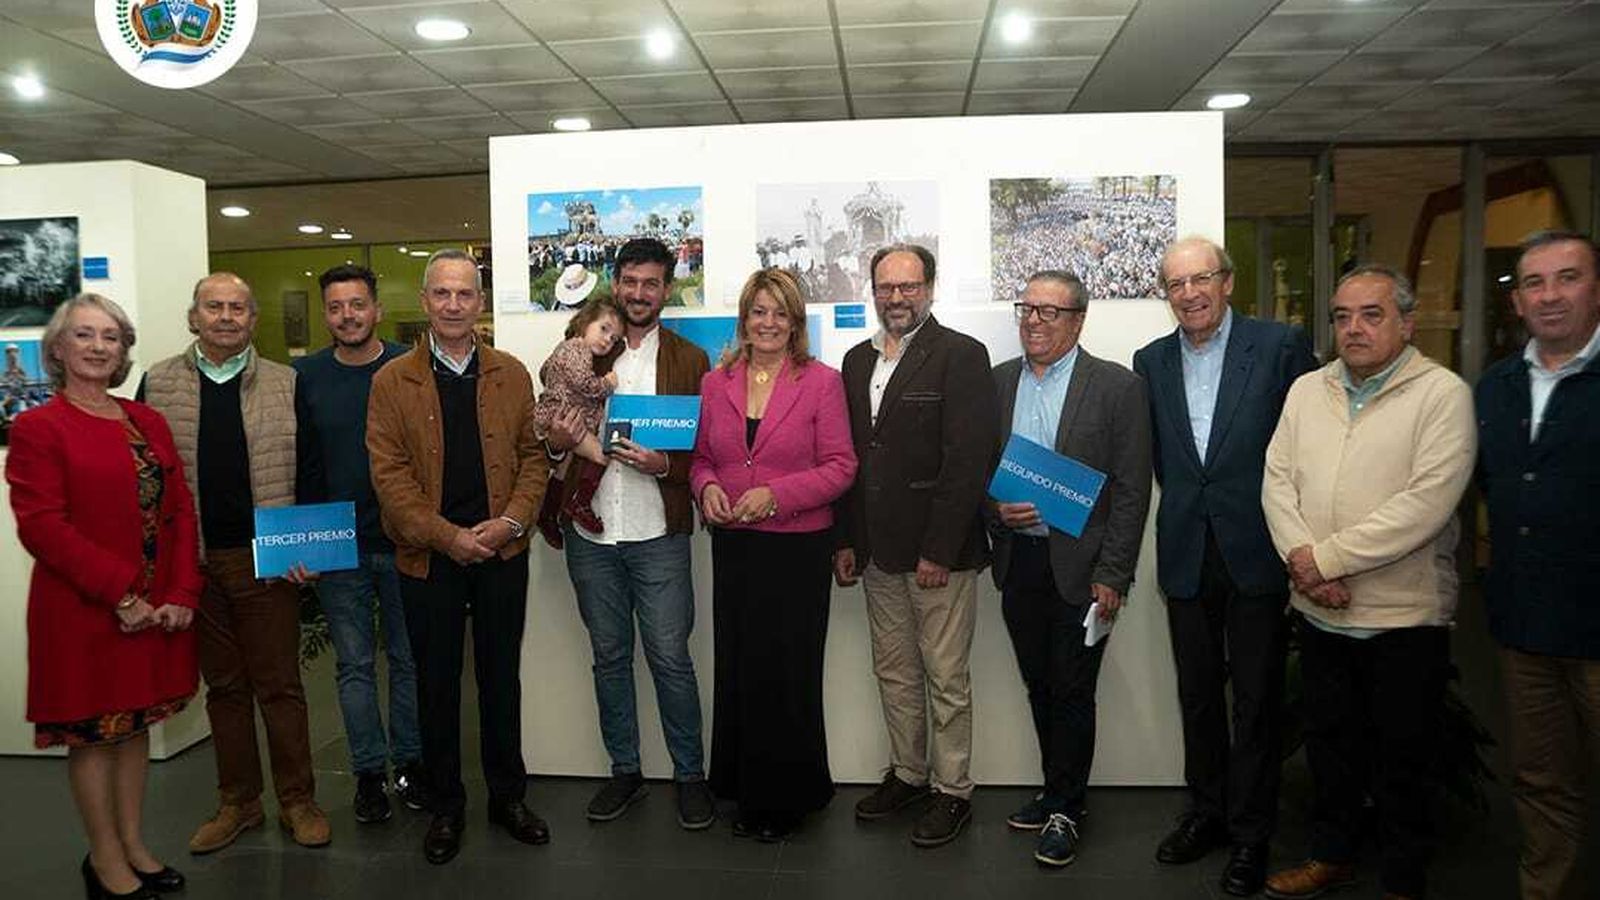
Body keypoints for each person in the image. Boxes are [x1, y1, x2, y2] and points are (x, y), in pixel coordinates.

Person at [1261, 265, 1475, 900]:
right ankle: (1333, 855)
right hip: (1322, 613)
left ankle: (1405, 877)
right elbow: (1276, 481)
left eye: (1372, 314)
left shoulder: (1442, 395)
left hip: (1402, 617)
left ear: (1406, 322)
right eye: (1343, 316)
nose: (1354, 328)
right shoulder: (1306, 390)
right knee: (1330, 748)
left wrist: (1323, 561)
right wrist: (1306, 562)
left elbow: (1425, 505)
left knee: (1404, 756)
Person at [1131, 237, 1318, 895]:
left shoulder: (1277, 347)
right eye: (1176, 284)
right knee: (1199, 697)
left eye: (1201, 278)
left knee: (1258, 703)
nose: (1190, 293)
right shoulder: (1149, 361)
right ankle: (1206, 813)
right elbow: (1166, 465)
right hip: (1186, 549)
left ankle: (1251, 835)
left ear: (1228, 282)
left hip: (1259, 550)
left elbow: (1309, 446)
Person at [6, 294, 200, 900]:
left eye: (110, 337)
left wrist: (181, 590)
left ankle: (134, 844)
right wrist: (120, 594)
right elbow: (41, 526)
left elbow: (180, 510)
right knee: (94, 735)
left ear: (123, 350)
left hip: (155, 612)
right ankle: (104, 858)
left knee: (135, 727)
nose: (97, 347)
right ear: (58, 349)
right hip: (86, 614)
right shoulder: (38, 428)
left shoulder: (148, 421)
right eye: (84, 335)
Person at [366, 249, 550, 865]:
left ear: (480, 302)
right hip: (430, 557)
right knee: (435, 685)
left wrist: (510, 523)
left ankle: (508, 798)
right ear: (424, 302)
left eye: (464, 295)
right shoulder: (392, 381)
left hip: (502, 550)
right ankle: (446, 806)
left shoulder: (511, 372)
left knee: (502, 680)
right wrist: (449, 537)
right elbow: (388, 477)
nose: (452, 305)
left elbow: (532, 458)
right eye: (441, 294)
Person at [140, 272, 330, 854]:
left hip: (265, 562)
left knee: (279, 687)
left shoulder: (284, 382)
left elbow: (311, 470)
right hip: (193, 566)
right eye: (214, 306)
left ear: (253, 319)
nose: (226, 316)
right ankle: (238, 804)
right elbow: (145, 478)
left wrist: (307, 549)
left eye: (238, 308)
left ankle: (298, 801)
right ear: (193, 315)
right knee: (223, 690)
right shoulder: (158, 383)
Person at [545, 237, 715, 829]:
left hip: (658, 533)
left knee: (670, 657)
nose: (638, 293)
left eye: (650, 283)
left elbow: (708, 453)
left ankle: (690, 776)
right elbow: (549, 422)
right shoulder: (580, 350)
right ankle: (626, 772)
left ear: (667, 290)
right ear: (614, 284)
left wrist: (665, 466)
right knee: (609, 657)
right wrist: (558, 441)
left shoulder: (692, 361)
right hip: (591, 537)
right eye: (629, 281)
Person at [834, 243, 998, 847]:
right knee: (895, 672)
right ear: (872, 290)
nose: (896, 298)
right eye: (886, 287)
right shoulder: (854, 362)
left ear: (930, 286)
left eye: (909, 286)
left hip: (940, 557)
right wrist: (846, 539)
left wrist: (939, 547)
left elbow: (967, 460)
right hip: (876, 551)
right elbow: (851, 460)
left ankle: (952, 790)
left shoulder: (961, 355)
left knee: (945, 676)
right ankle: (908, 773)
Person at [988, 271, 1152, 867]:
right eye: (1026, 308)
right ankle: (1054, 789)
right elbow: (983, 471)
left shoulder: (1117, 388)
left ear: (1078, 321)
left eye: (1048, 312)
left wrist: (1114, 573)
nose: (1033, 320)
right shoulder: (999, 381)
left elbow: (1132, 491)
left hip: (1084, 571)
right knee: (1040, 684)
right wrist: (994, 510)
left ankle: (1067, 807)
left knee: (1074, 689)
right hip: (1020, 562)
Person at [690, 269, 857, 841]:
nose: (767, 323)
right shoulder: (717, 383)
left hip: (797, 550)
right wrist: (706, 487)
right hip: (735, 546)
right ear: (744, 319)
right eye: (758, 312)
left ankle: (788, 798)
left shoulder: (821, 382)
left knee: (788, 674)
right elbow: (702, 459)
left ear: (795, 323)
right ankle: (744, 791)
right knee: (739, 669)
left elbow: (841, 466)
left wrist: (776, 497)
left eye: (779, 313)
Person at [1475, 231, 1600, 900]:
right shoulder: (1496, 388)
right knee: (1542, 779)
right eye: (1535, 283)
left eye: (1568, 278)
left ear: (1595, 287)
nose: (1550, 295)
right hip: (1526, 623)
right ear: (1518, 299)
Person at [292, 264, 423, 825]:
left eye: (357, 304)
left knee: (408, 660)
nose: (348, 315)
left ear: (377, 309)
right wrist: (301, 543)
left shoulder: (407, 367)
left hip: (403, 538)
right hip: (336, 545)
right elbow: (303, 465)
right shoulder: (307, 377)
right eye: (337, 307)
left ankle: (411, 765)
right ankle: (369, 773)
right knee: (352, 667)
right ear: (327, 315)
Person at [532, 296, 623, 546]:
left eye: (614, 338)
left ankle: (547, 513)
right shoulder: (578, 348)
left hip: (558, 416)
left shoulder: (566, 348)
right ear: (585, 323)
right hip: (565, 418)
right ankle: (580, 503)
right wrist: (608, 383)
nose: (607, 340)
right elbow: (584, 383)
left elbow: (545, 370)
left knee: (562, 469)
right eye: (604, 329)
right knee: (602, 456)